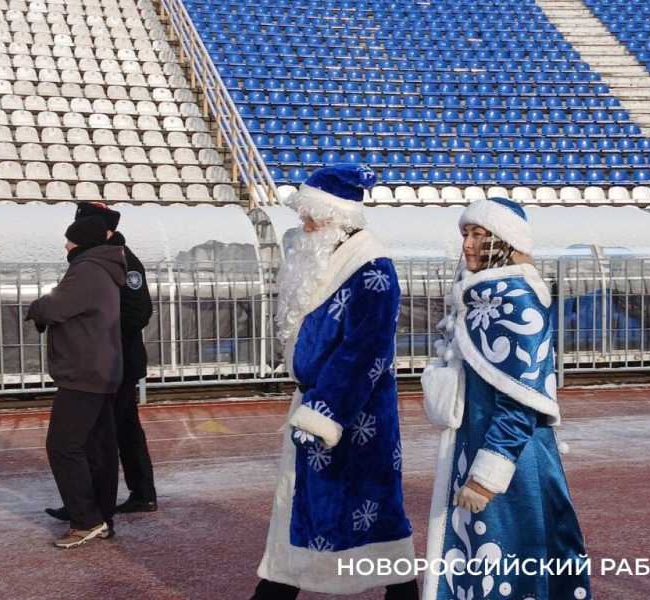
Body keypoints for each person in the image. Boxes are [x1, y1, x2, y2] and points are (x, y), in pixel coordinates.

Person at [252, 165, 418, 600]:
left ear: (335, 217)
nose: (304, 226)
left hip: (356, 414)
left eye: (311, 216)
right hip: (320, 404)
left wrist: (324, 412)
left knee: (369, 508)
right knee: (304, 506)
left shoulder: (372, 270)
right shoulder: (329, 257)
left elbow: (365, 351)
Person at [421, 198, 591, 600]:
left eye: (478, 234)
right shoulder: (480, 295)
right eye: (465, 233)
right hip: (478, 444)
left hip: (509, 461)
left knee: (512, 564)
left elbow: (521, 400)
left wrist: (485, 478)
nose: (467, 244)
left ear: (504, 240)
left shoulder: (515, 298)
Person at [46, 202, 157, 523]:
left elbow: (139, 313)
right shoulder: (95, 260)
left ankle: (118, 498)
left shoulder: (123, 261)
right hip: (105, 360)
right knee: (109, 431)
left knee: (109, 432)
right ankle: (111, 497)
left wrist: (96, 329)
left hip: (115, 360)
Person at [25, 216, 126, 548]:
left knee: (63, 445)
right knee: (97, 448)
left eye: (69, 240)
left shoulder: (87, 269)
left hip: (84, 372)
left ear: (81, 242)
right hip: (100, 369)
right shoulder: (103, 267)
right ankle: (100, 517)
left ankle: (86, 520)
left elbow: (56, 307)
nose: (65, 246)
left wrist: (36, 307)